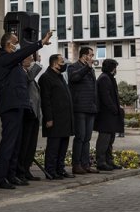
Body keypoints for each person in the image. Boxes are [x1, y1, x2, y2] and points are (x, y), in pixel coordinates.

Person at [0, 30, 51, 189]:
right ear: (8, 44)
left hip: (20, 106)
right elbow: (20, 55)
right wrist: (40, 43)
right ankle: (1, 177)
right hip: (10, 105)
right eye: (16, 42)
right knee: (9, 142)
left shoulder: (15, 63)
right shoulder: (2, 58)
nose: (19, 45)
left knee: (17, 143)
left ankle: (12, 175)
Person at [38, 53, 75, 180]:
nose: (64, 65)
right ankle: (50, 171)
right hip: (54, 119)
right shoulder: (46, 77)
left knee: (63, 146)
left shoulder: (60, 76)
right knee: (53, 146)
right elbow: (45, 100)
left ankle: (60, 169)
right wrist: (48, 118)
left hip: (65, 119)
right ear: (54, 64)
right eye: (62, 62)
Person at [68, 46, 98, 175]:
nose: (92, 57)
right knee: (80, 137)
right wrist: (87, 67)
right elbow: (74, 78)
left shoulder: (90, 69)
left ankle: (86, 164)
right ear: (84, 56)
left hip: (90, 108)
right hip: (79, 108)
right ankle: (76, 165)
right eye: (91, 55)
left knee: (87, 138)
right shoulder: (73, 67)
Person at [15, 53, 43, 181]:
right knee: (24, 144)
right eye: (29, 58)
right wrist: (37, 64)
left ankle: (26, 169)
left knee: (31, 145)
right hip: (27, 113)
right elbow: (29, 79)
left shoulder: (27, 72)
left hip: (34, 114)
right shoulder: (21, 73)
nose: (31, 60)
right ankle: (20, 171)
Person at [94, 59, 123, 171]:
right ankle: (101, 162)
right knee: (104, 140)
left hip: (110, 115)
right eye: (115, 67)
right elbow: (106, 97)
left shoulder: (108, 77)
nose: (116, 69)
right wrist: (114, 109)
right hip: (105, 115)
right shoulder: (104, 78)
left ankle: (109, 161)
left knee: (110, 139)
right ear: (111, 68)